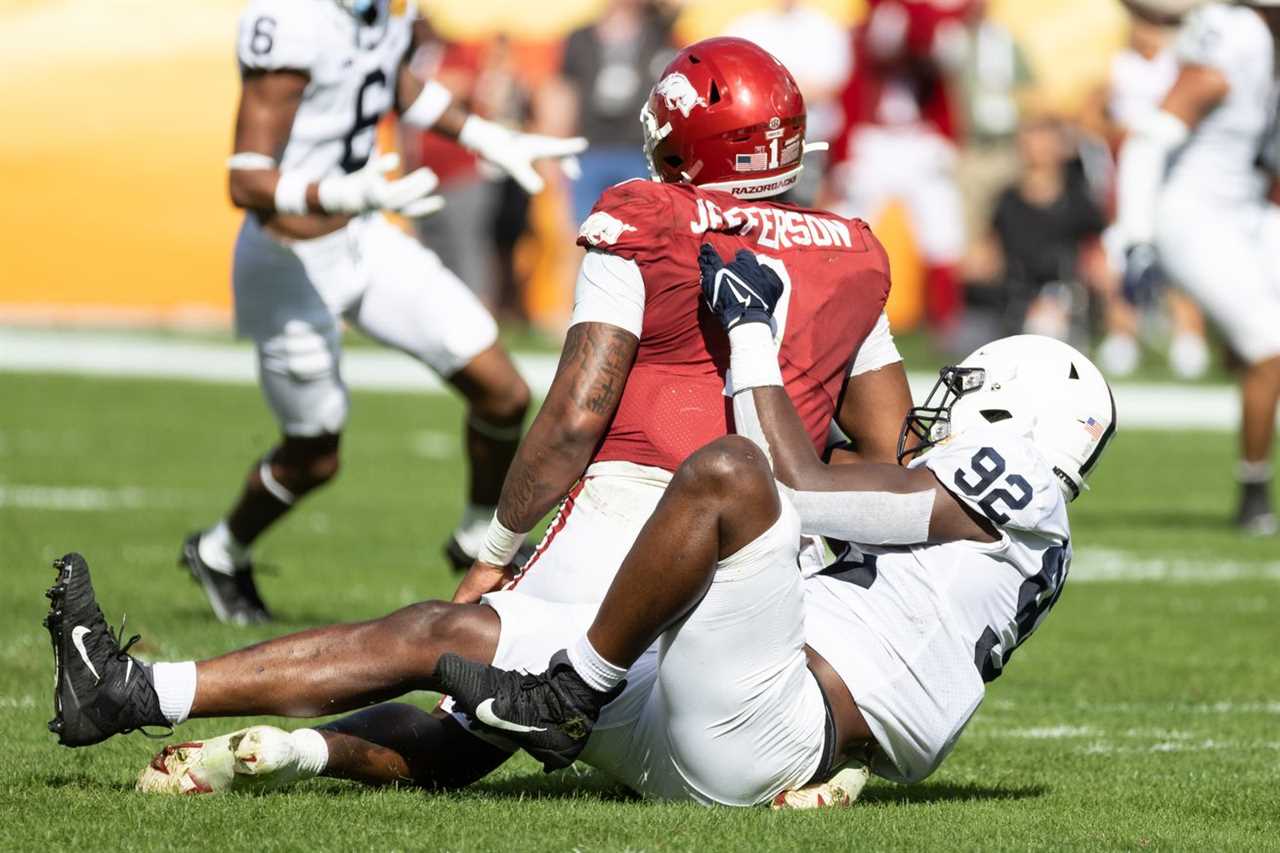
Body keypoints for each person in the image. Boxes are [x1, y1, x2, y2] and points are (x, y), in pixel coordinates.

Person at [41, 256, 1115, 807]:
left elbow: (793, 483)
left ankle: (570, 691)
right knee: (455, 635)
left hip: (769, 725)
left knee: (731, 475)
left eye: (964, 394)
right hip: (734, 718)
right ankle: (139, 694)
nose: (937, 409)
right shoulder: (998, 535)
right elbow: (842, 500)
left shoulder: (1020, 482)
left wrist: (749, 332)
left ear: (1017, 419)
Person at [182, 0, 587, 624]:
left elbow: (392, 79)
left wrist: (483, 134)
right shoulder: (291, 20)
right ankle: (220, 550)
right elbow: (246, 182)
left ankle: (479, 535)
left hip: (362, 232)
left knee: (502, 391)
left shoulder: (385, 10)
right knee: (315, 454)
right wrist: (340, 190)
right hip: (288, 254)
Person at [1113, 0, 1280, 534]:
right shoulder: (1243, 35)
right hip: (1198, 215)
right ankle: (1254, 494)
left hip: (1250, 210)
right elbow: (1154, 133)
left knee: (1261, 351)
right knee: (1269, 347)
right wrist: (1135, 237)